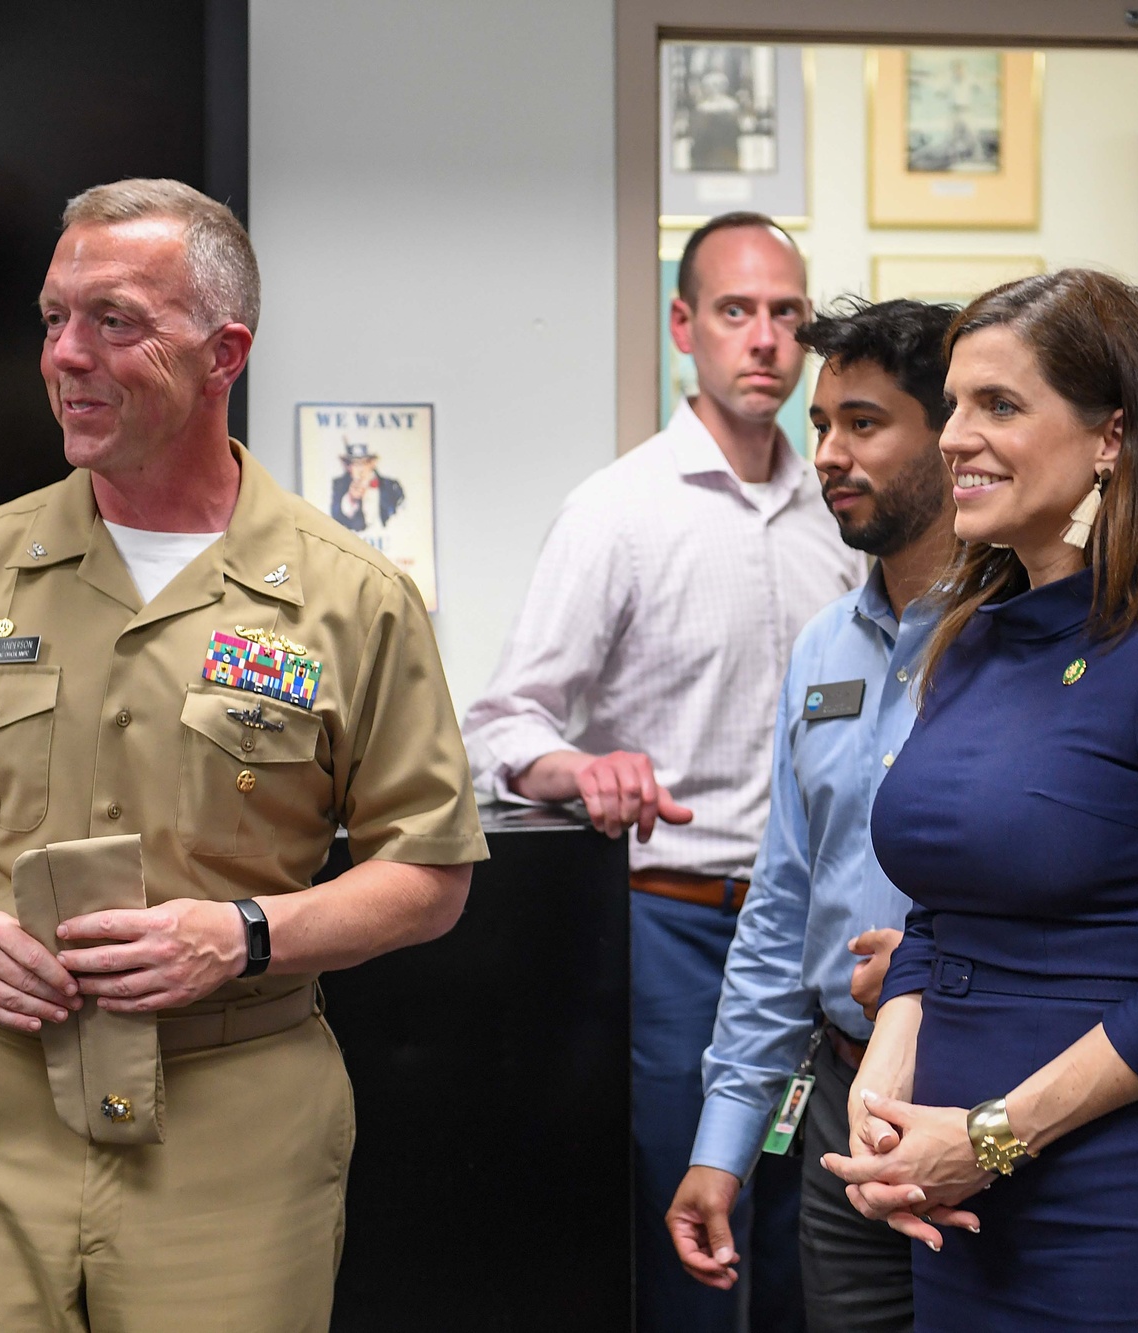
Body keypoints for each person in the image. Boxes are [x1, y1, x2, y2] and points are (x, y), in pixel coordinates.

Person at [0, 178, 487, 1332]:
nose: (64, 356)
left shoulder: (350, 597)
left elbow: (429, 874)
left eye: (113, 320)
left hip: (233, 1126)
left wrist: (245, 932)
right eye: (52, 318)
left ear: (224, 352)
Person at [824, 270, 1138, 1330]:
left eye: (998, 404)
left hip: (1125, 1210)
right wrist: (887, 1078)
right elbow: (940, 912)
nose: (952, 436)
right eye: (951, 404)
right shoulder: (974, 639)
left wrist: (989, 1134)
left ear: (1109, 437)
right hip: (950, 1203)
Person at [463, 212, 861, 1332]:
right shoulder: (618, 512)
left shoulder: (841, 515)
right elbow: (499, 721)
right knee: (685, 1232)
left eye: (787, 315)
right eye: (737, 312)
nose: (766, 341)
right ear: (683, 326)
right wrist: (577, 770)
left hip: (816, 935)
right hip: (671, 930)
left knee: (804, 1222)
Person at [667, 299, 957, 1333]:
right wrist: (723, 1141)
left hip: (983, 1100)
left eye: (864, 424)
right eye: (822, 424)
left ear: (952, 430)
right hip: (839, 1107)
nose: (828, 453)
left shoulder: (1032, 639)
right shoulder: (825, 649)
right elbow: (782, 908)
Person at [329, 440, 405, 535]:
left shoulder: (392, 487)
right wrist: (351, 499)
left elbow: (401, 519)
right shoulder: (339, 486)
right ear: (348, 467)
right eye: (356, 464)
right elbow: (334, 519)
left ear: (372, 464)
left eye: (364, 463)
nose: (360, 470)